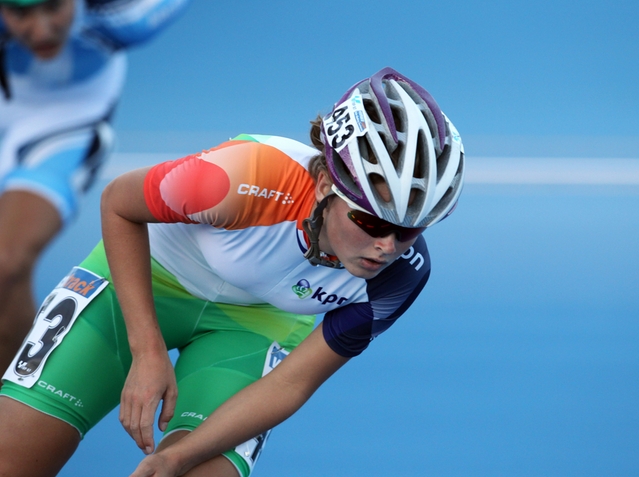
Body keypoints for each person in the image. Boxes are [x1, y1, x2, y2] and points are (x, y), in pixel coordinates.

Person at [0, 67, 465, 477]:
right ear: (326, 184)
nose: (387, 246)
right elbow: (118, 203)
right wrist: (146, 349)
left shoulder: (402, 276)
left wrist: (176, 459)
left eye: (410, 231)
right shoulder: (242, 179)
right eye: (371, 222)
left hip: (254, 327)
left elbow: (291, 383)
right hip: (152, 280)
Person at [0, 0, 190, 373]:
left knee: (6, 263)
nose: (41, 30)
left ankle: (11, 396)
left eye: (53, 6)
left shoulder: (125, 21)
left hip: (62, 134)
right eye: (21, 13)